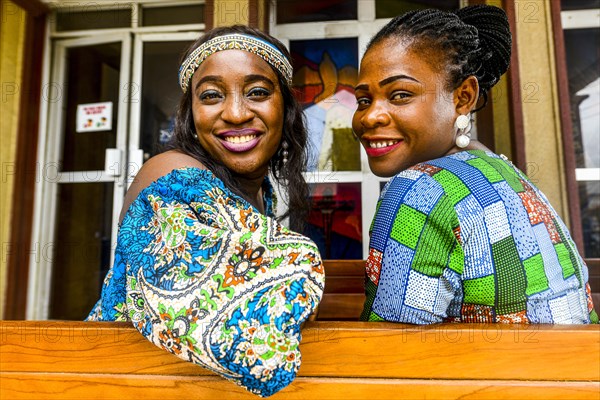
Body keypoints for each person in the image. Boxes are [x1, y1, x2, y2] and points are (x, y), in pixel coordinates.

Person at [87, 25, 325, 397]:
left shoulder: (260, 192)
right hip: (115, 382)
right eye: (212, 95)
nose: (234, 113)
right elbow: (250, 331)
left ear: (286, 107)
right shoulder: (170, 176)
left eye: (258, 92)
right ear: (192, 116)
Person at [352, 5, 598, 325]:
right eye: (363, 100)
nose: (370, 116)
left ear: (463, 97)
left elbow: (386, 352)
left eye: (399, 95)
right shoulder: (509, 177)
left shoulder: (421, 188)